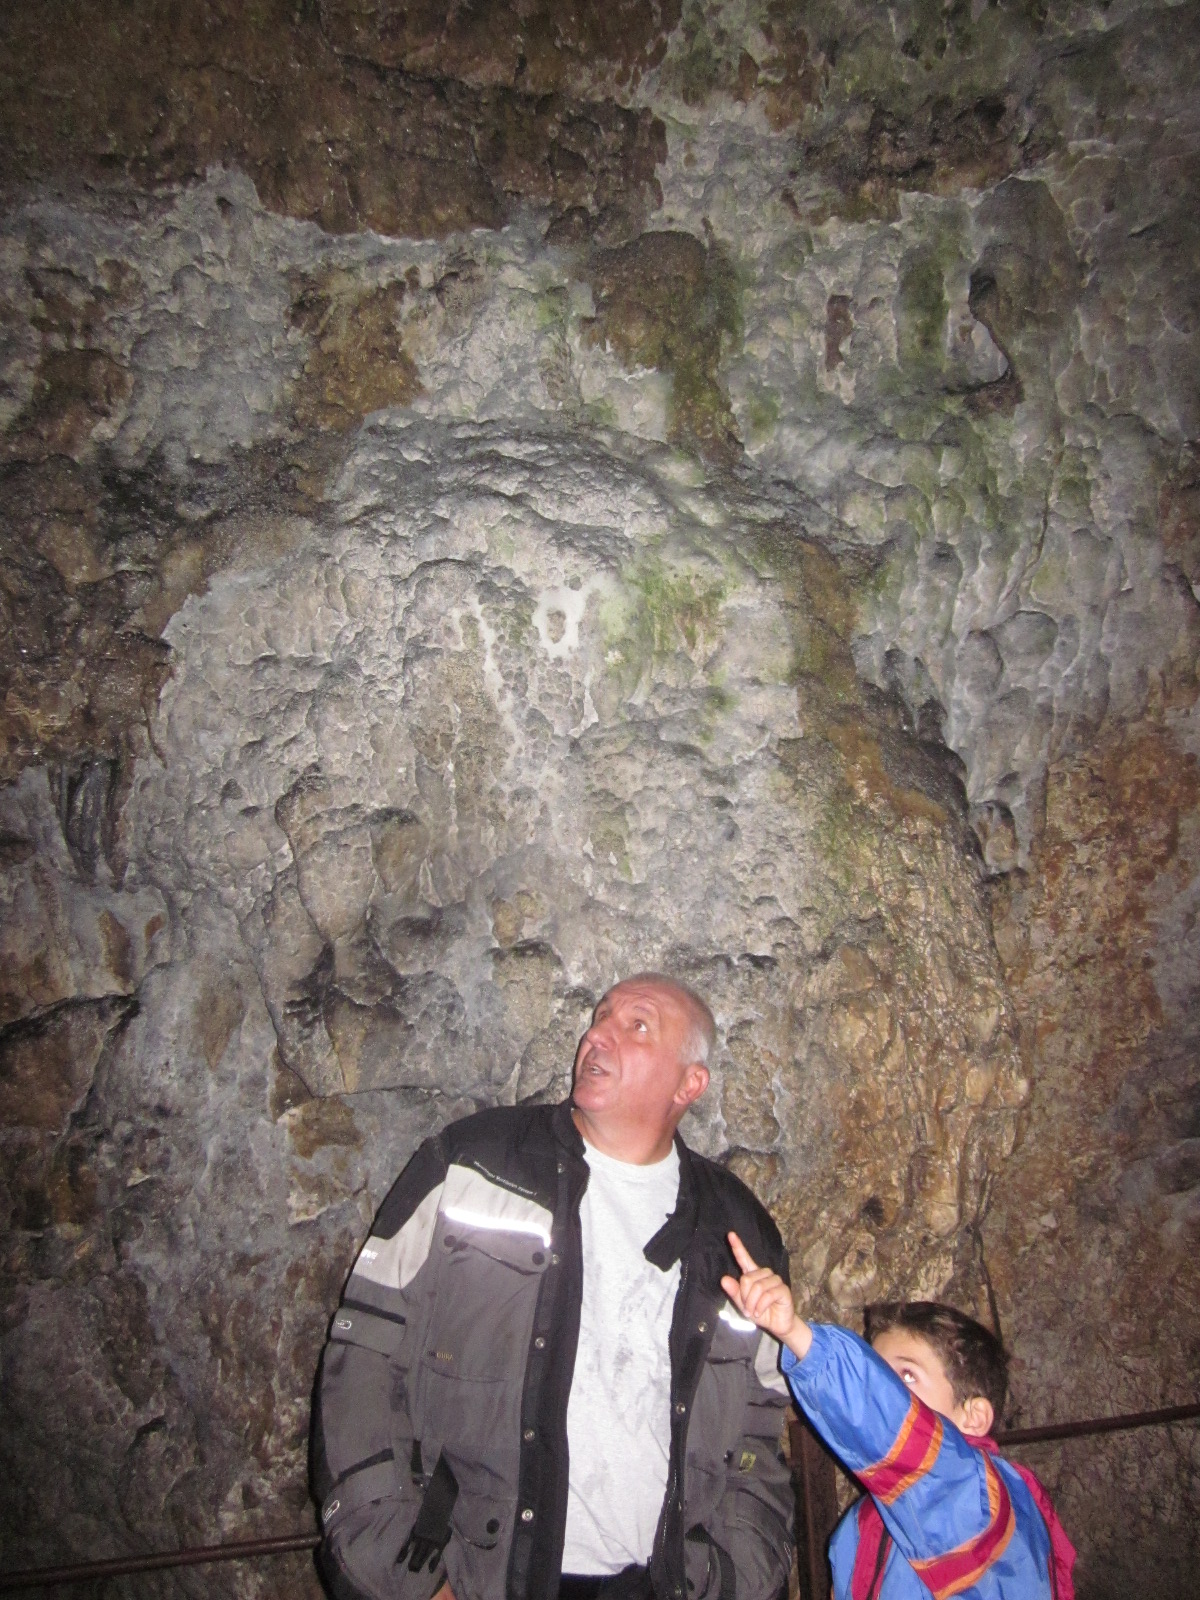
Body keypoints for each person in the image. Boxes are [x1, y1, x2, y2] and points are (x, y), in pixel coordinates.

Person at [312, 974, 795, 1600]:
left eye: (637, 1025)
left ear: (689, 1085)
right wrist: (407, 1578)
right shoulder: (473, 1163)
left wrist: (738, 1577)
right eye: (600, 1016)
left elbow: (759, 1428)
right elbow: (364, 1363)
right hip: (483, 1576)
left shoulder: (736, 1230)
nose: (598, 1035)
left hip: (662, 1584)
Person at [721, 1235, 1076, 1599]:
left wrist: (797, 1334)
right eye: (878, 1371)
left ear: (974, 1416)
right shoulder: (864, 1523)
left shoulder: (980, 1500)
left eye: (906, 1376)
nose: (885, 1389)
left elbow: (892, 1420)